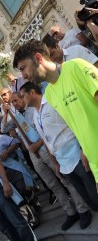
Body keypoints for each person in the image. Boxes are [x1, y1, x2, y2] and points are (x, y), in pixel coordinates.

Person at [13, 38, 98, 191]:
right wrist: (86, 151)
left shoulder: (76, 66)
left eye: (23, 68)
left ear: (38, 58)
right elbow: (78, 124)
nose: (23, 76)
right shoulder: (50, 93)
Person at [20, 81, 98, 214]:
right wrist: (55, 163)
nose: (21, 100)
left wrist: (82, 149)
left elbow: (74, 123)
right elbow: (46, 140)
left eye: (22, 96)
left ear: (32, 93)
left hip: (77, 157)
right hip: (63, 163)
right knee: (88, 199)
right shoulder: (34, 114)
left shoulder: (51, 102)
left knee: (95, 195)